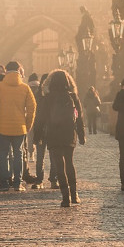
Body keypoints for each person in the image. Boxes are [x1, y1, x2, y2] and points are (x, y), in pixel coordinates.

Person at [32, 70, 85, 207]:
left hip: (54, 134)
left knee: (59, 165)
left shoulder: (47, 98)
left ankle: (65, 197)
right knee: (69, 163)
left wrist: (37, 137)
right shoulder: (72, 96)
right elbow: (79, 118)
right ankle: (75, 195)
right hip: (69, 133)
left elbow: (40, 119)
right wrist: (81, 135)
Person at [0, 61, 36, 192]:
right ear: (18, 70)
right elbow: (32, 108)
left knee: (3, 155)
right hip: (20, 127)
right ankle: (17, 183)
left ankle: (4, 183)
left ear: (6, 71)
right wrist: (27, 125)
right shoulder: (25, 88)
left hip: (2, 127)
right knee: (18, 155)